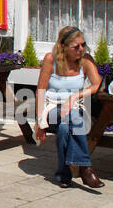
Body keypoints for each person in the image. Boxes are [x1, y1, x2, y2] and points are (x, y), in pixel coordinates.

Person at [33, 26, 103, 188]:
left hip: (75, 107)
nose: (81, 49)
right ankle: (85, 168)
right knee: (73, 118)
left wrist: (74, 97)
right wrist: (39, 122)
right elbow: (40, 91)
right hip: (51, 108)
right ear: (63, 47)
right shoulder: (51, 59)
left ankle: (63, 173)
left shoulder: (86, 60)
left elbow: (96, 84)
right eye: (76, 46)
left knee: (65, 128)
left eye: (83, 45)